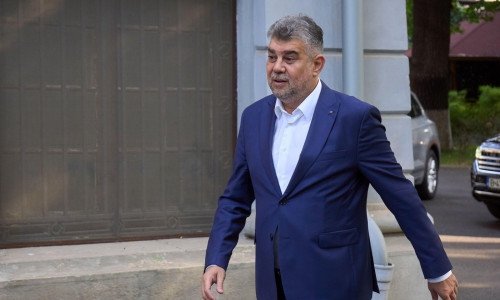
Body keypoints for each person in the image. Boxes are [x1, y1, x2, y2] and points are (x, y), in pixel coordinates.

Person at [201, 14, 458, 300]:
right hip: (273, 284)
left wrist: (437, 269)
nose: (276, 67)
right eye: (272, 56)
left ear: (317, 65)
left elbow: (400, 195)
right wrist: (216, 258)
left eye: (290, 58)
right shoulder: (253, 118)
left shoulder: (355, 119)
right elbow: (235, 198)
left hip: (336, 283)